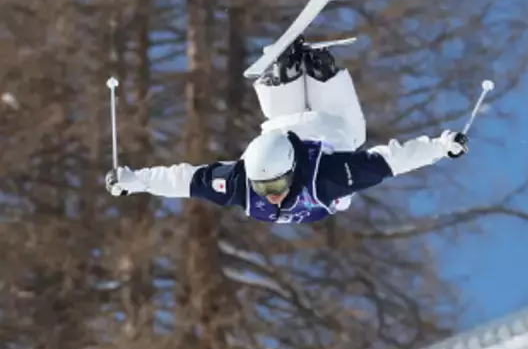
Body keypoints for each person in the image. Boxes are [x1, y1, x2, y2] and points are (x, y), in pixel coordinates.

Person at [105, 40, 468, 224]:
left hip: (305, 132)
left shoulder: (321, 175)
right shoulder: (324, 182)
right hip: (333, 129)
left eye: (274, 187)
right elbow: (389, 162)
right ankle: (321, 70)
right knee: (342, 127)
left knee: (289, 117)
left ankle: (286, 76)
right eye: (267, 190)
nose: (273, 196)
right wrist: (442, 146)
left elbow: (182, 180)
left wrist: (133, 179)